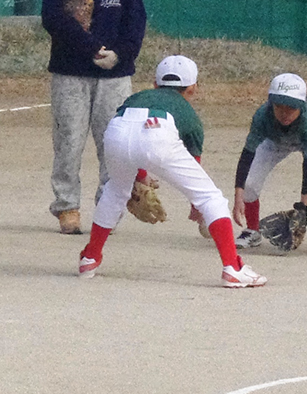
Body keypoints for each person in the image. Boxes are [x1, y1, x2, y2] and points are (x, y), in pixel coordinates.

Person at [78, 55, 267, 288]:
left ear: (155, 84)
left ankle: (90, 258)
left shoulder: (138, 96)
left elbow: (131, 135)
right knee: (211, 197)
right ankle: (233, 268)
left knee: (115, 191)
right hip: (158, 132)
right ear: (193, 88)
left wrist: (140, 177)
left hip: (117, 129)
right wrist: (195, 207)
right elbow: (193, 163)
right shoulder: (188, 114)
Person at [41, 0, 147, 234]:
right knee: (69, 140)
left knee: (112, 143)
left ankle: (108, 207)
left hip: (114, 79)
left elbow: (135, 29)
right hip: (70, 75)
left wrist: (119, 55)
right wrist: (93, 49)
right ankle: (67, 207)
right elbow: (55, 20)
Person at [232, 73, 307, 254]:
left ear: (301, 106)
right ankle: (252, 230)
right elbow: (247, 154)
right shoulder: (262, 116)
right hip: (274, 139)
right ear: (271, 103)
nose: (285, 113)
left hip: (304, 136)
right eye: (279, 106)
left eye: (291, 108)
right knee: (249, 183)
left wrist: (303, 207)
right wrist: (239, 194)